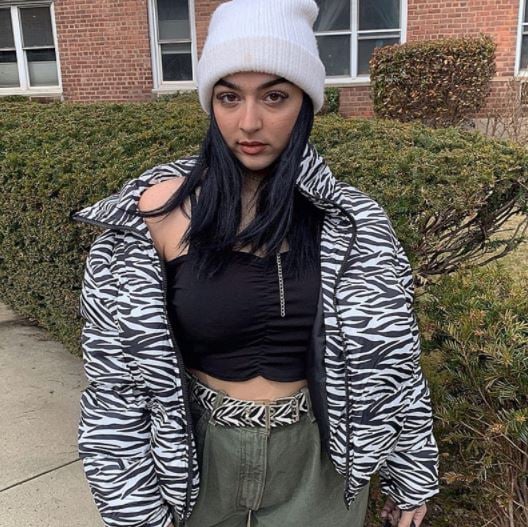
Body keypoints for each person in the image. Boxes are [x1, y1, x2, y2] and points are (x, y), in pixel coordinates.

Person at [70, 1, 439, 526]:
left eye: (274, 96)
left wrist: (412, 476)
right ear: (211, 103)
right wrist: (132, 508)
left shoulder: (353, 225)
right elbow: (116, 384)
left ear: (305, 102)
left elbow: (395, 363)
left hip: (317, 466)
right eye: (229, 96)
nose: (249, 122)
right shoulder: (158, 214)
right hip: (193, 462)